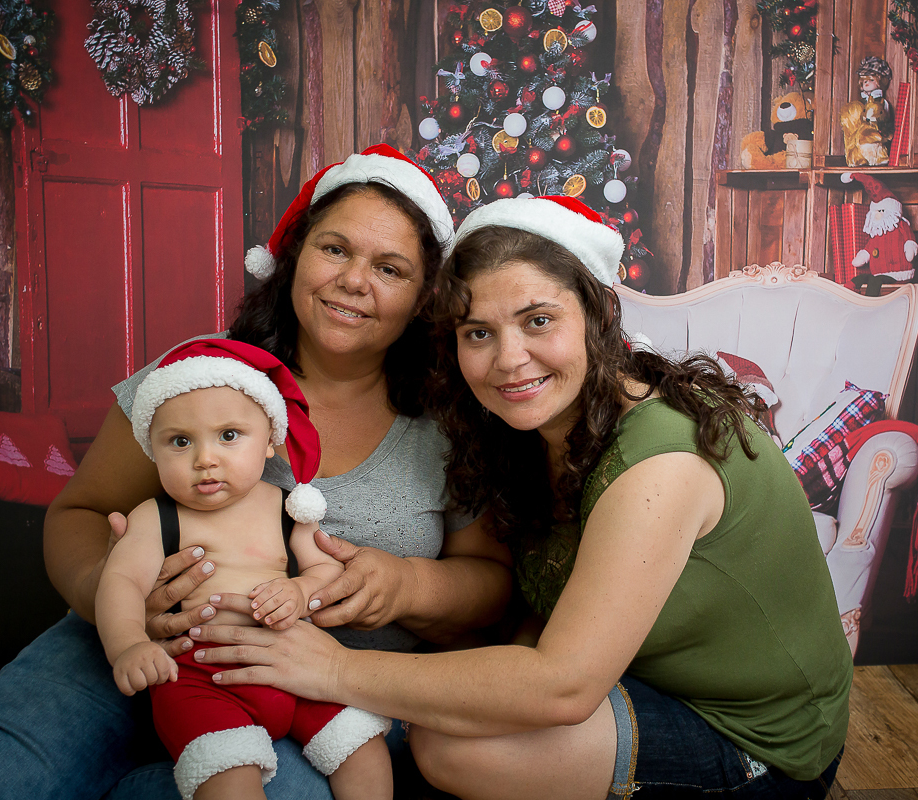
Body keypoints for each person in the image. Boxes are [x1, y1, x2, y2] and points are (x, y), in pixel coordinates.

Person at [0, 144, 511, 800]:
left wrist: (405, 586)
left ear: (422, 297)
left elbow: (492, 586)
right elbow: (81, 513)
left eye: (390, 267)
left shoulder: (451, 421)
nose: (354, 280)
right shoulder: (195, 377)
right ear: (294, 258)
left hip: (313, 697)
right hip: (126, 653)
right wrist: (116, 599)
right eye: (334, 250)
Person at [185, 195, 854, 799]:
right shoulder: (527, 429)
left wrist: (332, 671)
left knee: (454, 745)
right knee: (458, 706)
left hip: (753, 739)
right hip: (638, 683)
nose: (509, 359)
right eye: (479, 333)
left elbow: (561, 684)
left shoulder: (661, 459)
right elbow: (538, 612)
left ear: (597, 313)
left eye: (537, 320)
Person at [99, 338, 392, 800]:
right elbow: (121, 582)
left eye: (229, 436)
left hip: (297, 669)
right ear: (152, 450)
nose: (205, 459)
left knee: (362, 745)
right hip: (202, 681)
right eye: (180, 442)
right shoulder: (155, 518)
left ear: (270, 440)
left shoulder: (287, 508)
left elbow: (323, 571)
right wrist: (129, 644)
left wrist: (299, 592)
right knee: (229, 778)